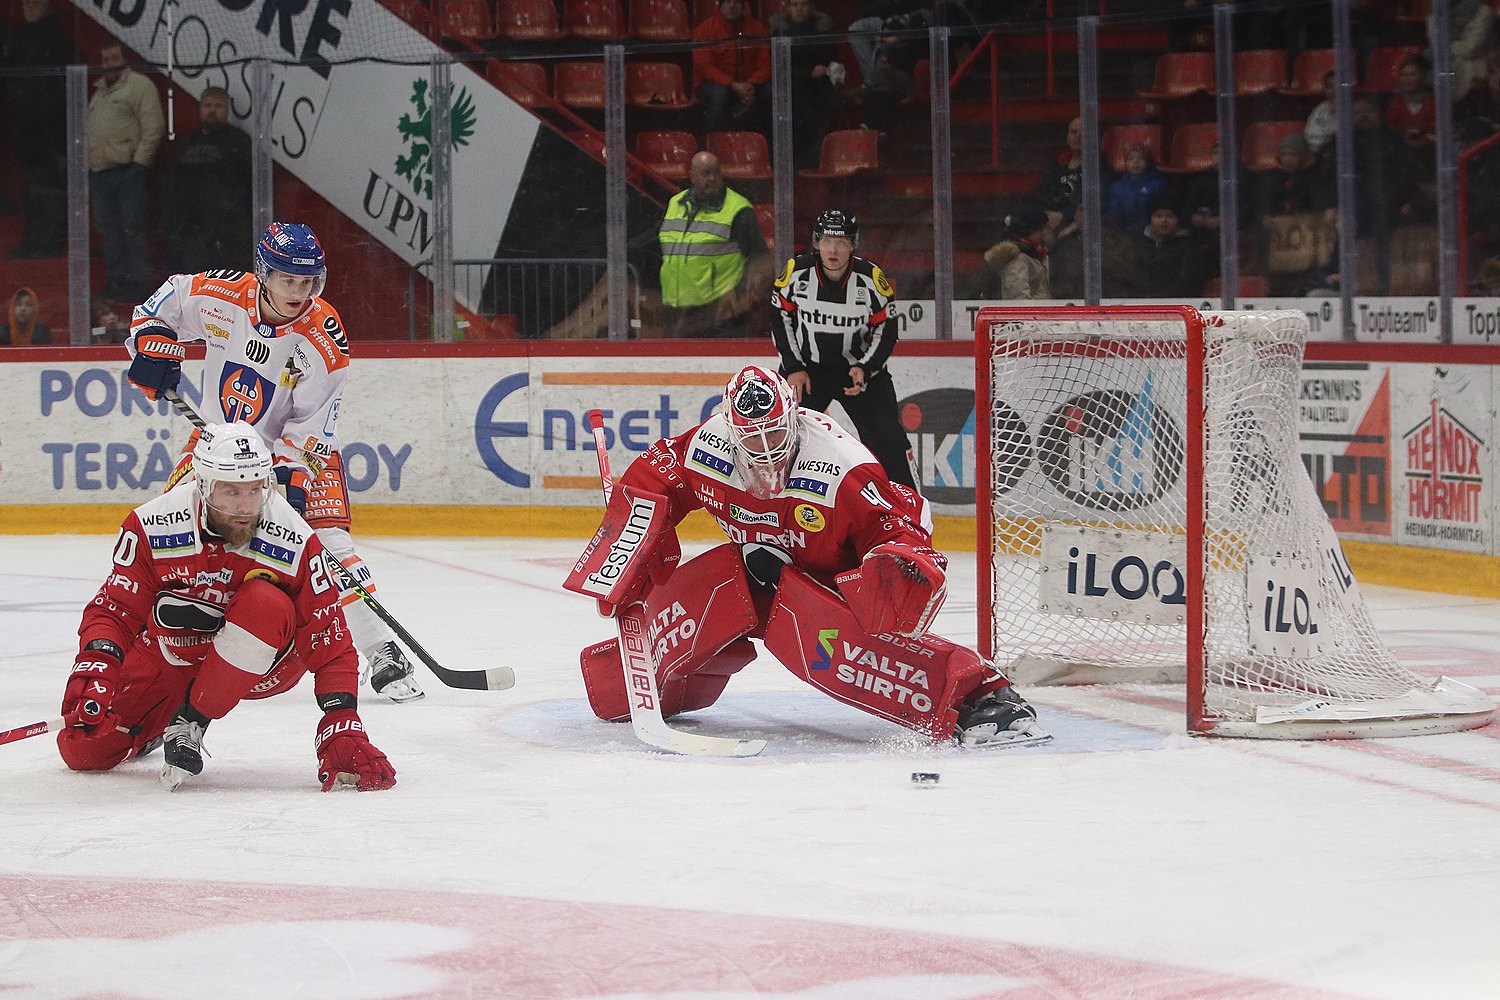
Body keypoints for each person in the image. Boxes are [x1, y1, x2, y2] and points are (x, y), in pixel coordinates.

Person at [563, 365, 1050, 749]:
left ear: (792, 418)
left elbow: (893, 520)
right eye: (751, 440)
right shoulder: (707, 448)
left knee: (835, 650)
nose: (765, 449)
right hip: (756, 571)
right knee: (703, 593)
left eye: (774, 435)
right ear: (730, 432)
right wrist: (625, 556)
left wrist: (893, 561)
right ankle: (622, 684)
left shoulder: (839, 466)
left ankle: (983, 698)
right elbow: (654, 478)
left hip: (826, 581)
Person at [122, 221, 426, 704]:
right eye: (287, 279)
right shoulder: (222, 295)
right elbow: (160, 306)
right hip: (217, 451)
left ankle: (380, 647)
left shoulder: (323, 336)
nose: (298, 291)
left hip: (299, 455)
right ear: (264, 274)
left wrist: (286, 481)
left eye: (308, 282)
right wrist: (150, 342)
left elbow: (313, 428)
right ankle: (139, 652)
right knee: (170, 531)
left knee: (329, 548)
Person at [56, 422, 397, 792]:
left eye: (254, 491)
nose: (244, 507)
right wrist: (99, 663)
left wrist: (341, 718)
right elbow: (115, 610)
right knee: (84, 751)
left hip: (262, 665)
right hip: (174, 650)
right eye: (231, 491)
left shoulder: (295, 538)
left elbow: (329, 637)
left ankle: (191, 719)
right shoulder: (153, 525)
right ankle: (159, 718)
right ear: (202, 485)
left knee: (266, 605)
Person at [770, 209, 917, 489]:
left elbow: (887, 330)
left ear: (853, 244)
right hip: (807, 371)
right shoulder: (795, 273)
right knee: (782, 437)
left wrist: (866, 368)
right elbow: (779, 317)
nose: (833, 249)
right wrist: (794, 367)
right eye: (826, 241)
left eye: (841, 242)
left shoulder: (871, 279)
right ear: (816, 242)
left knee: (889, 441)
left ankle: (909, 510)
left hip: (857, 371)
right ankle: (776, 503)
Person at [639, 150, 772, 338]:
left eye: (715, 172)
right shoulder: (676, 203)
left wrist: (739, 293)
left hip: (720, 318)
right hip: (676, 313)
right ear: (692, 176)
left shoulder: (738, 210)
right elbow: (656, 241)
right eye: (705, 173)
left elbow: (760, 260)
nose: (711, 178)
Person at [88, 39, 165, 300]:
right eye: (105, 57)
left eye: (114, 56)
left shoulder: (139, 86)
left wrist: (139, 165)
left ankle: (140, 285)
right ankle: (117, 282)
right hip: (100, 172)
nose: (109, 61)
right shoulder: (99, 91)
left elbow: (153, 126)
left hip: (128, 171)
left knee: (133, 228)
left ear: (125, 58)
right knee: (109, 231)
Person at [2, 0, 75, 259]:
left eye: (35, 2)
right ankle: (32, 240)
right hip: (25, 131)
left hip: (50, 131)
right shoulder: (17, 35)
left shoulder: (57, 34)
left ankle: (50, 242)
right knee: (30, 187)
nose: (29, 7)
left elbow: (61, 84)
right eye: (26, 3)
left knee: (49, 187)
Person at [163, 86, 253, 274]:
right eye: (207, 105)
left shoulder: (240, 143)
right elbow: (170, 185)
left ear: (227, 111)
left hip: (228, 229)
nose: (212, 110)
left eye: (218, 106)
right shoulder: (184, 143)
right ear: (200, 108)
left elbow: (248, 188)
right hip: (191, 228)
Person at [769, 0, 842, 169]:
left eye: (803, 4)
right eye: (795, 5)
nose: (799, 9)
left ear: (811, 7)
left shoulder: (822, 29)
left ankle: (816, 161)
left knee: (819, 103)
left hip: (818, 85)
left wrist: (822, 69)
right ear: (789, 8)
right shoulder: (780, 31)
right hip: (791, 85)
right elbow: (778, 66)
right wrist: (808, 72)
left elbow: (831, 59)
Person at [692, 0, 772, 134]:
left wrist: (750, 84)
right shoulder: (704, 30)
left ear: (743, 6)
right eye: (727, 2)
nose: (732, 6)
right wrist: (732, 84)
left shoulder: (757, 29)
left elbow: (765, 64)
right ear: (720, 6)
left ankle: (768, 147)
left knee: (770, 92)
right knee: (720, 94)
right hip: (713, 84)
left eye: (736, 2)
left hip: (750, 84)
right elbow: (705, 67)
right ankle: (716, 144)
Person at [1030, 115, 1111, 233]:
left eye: (1083, 133)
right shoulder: (1055, 165)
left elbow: (1099, 202)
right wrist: (1043, 216)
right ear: (1067, 138)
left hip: (1078, 225)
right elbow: (1038, 196)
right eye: (1074, 132)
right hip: (1047, 221)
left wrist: (1063, 215)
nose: (1078, 136)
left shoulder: (1101, 167)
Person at [976, 203, 1050, 300]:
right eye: (1040, 229)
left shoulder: (1037, 254)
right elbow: (1018, 299)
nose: (1044, 233)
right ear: (1027, 230)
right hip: (1029, 314)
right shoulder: (1017, 259)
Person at [1132, 198, 1202, 299]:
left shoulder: (1188, 247)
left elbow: (1188, 282)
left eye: (1169, 216)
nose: (1164, 220)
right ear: (1151, 219)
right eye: (1158, 216)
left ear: (1178, 220)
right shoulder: (1139, 244)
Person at [1105, 143, 1166, 233]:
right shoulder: (1116, 186)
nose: (1136, 162)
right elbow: (1113, 214)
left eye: (1140, 159)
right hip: (1121, 233)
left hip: (1147, 233)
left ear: (1148, 161)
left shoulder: (1157, 185)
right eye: (1130, 159)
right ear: (1126, 162)